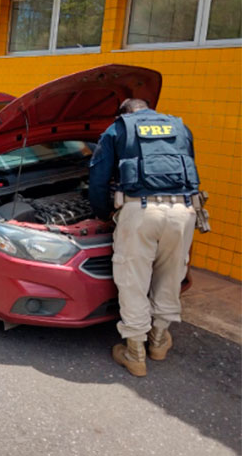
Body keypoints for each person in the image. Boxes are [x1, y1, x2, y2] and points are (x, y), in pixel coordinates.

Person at [89, 98, 199, 377]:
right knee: (171, 274)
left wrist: (103, 213)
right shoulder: (179, 126)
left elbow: (99, 178)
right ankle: (159, 339)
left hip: (140, 211)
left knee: (133, 279)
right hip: (184, 211)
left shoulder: (118, 129)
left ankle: (135, 351)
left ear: (124, 113)